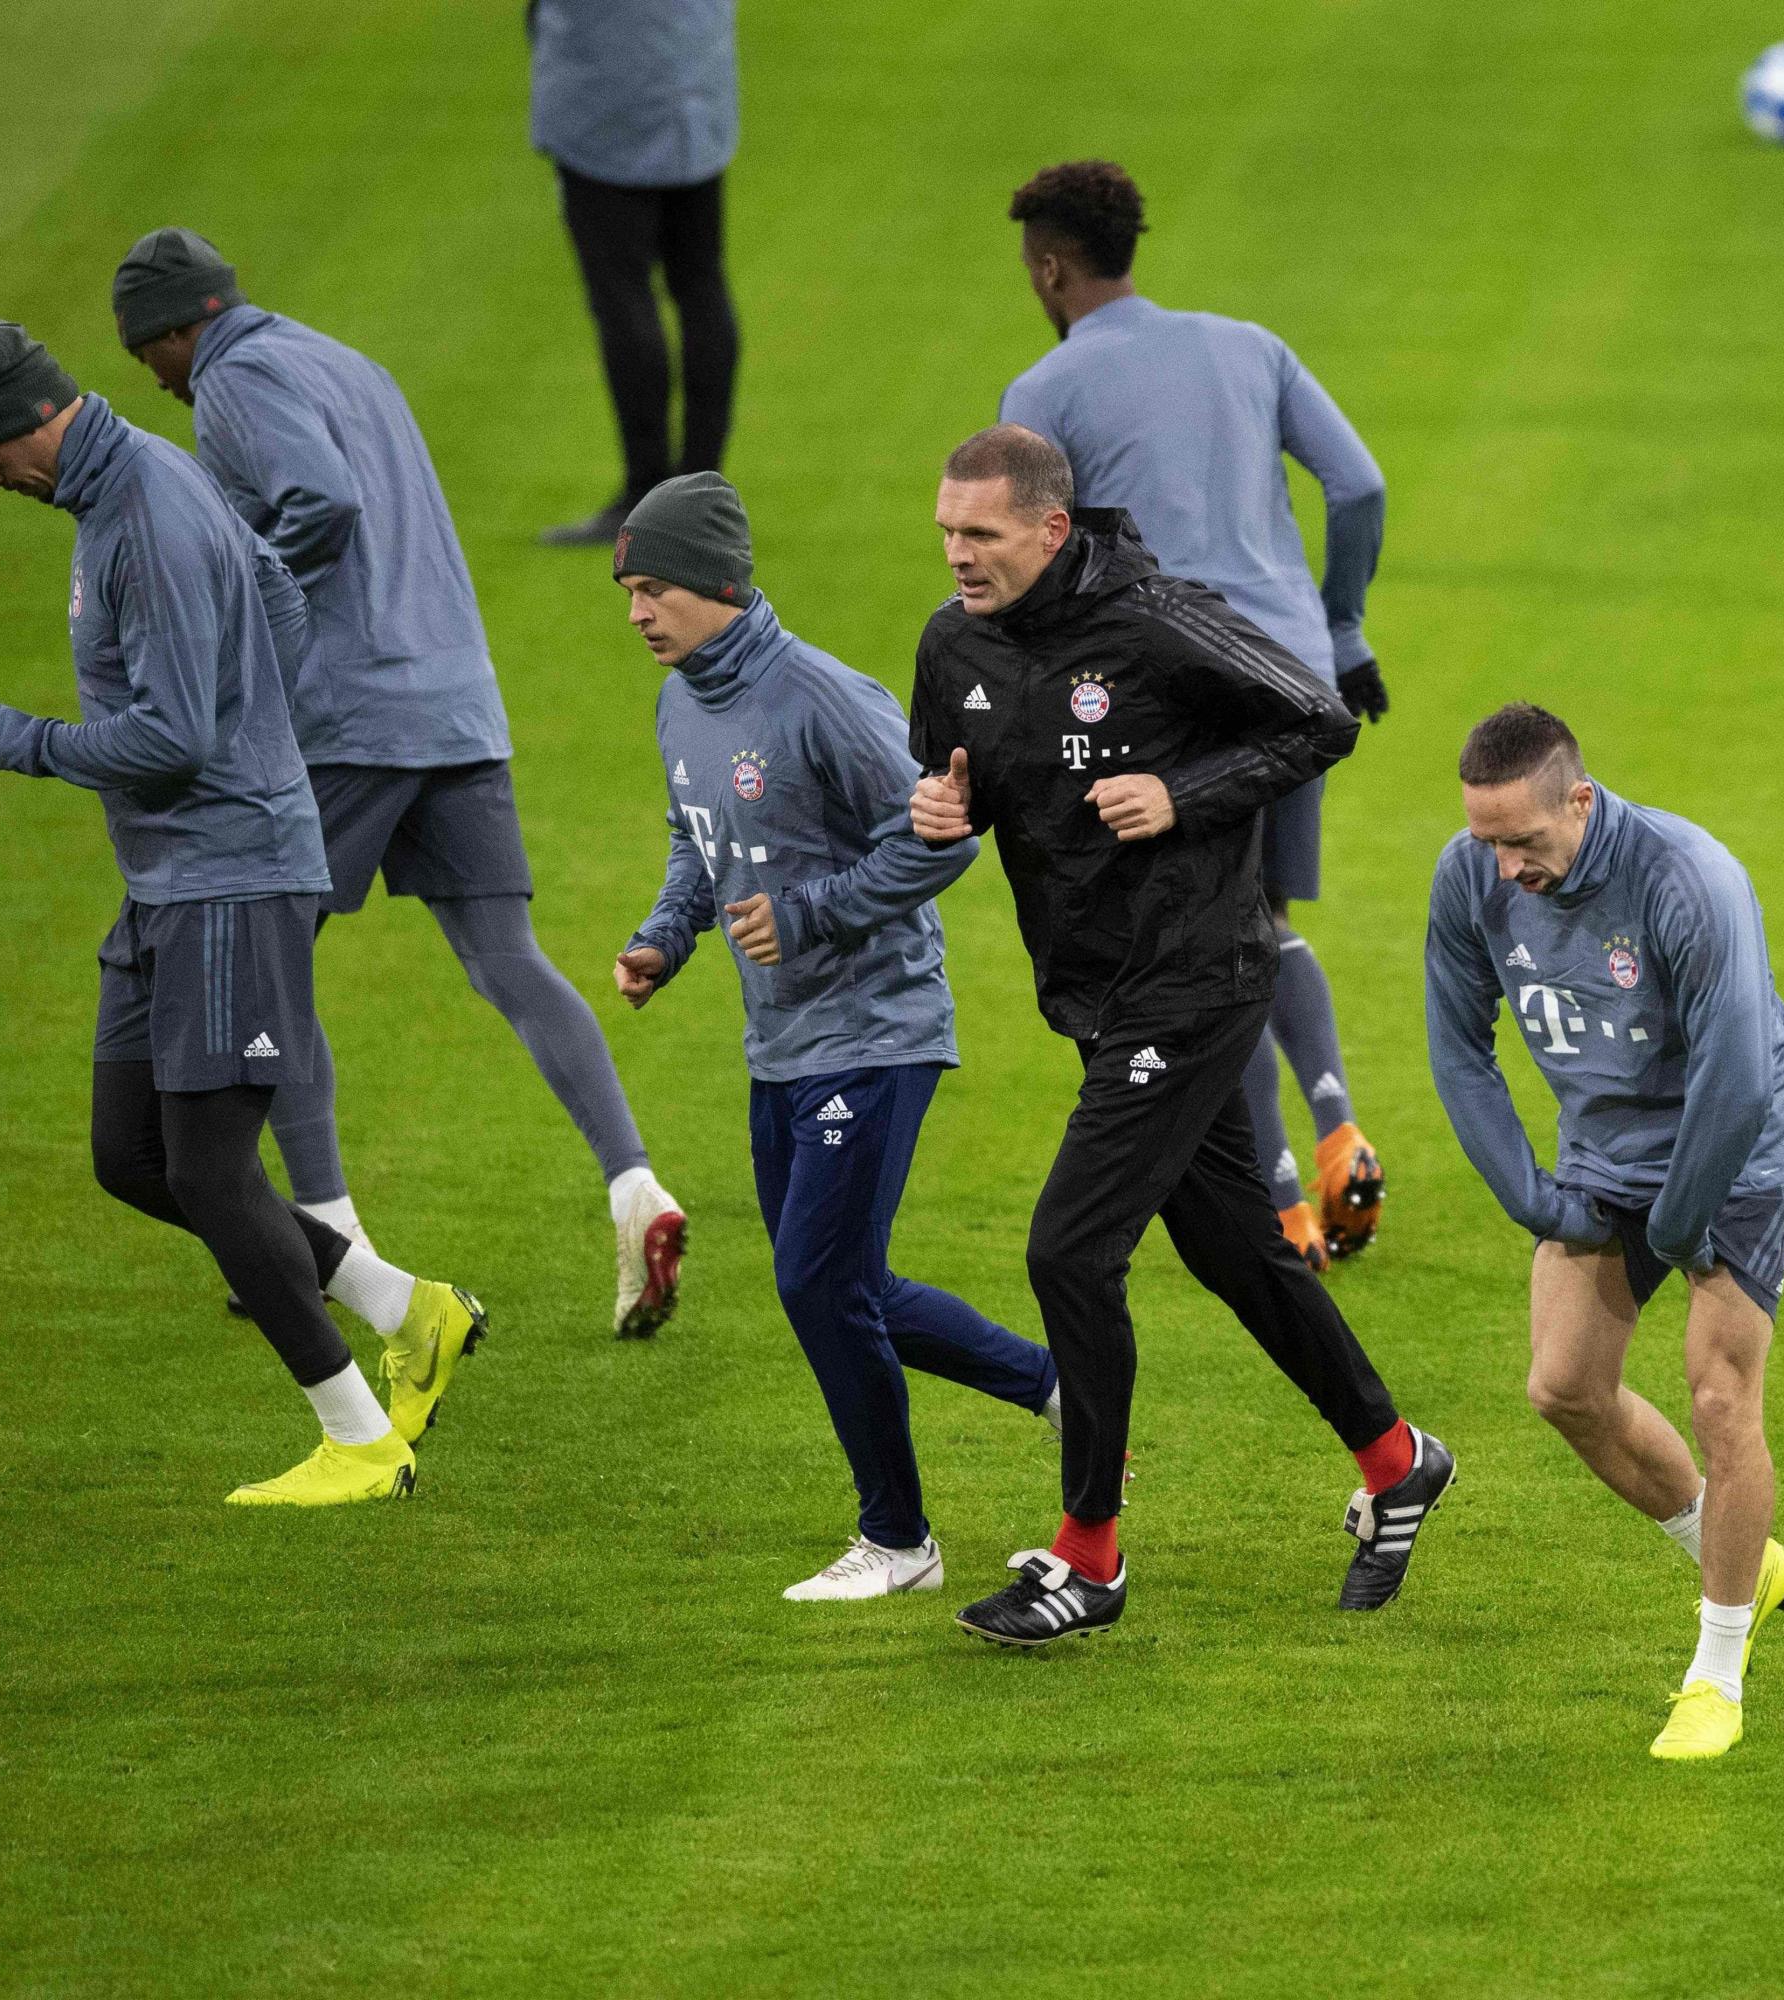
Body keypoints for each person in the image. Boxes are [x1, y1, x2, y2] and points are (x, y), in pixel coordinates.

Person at [907, 423, 1453, 1647]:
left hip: (1198, 977)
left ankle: (1087, 1557)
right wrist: (942, 809)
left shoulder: (1156, 621)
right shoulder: (955, 643)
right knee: (1235, 1253)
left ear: (1051, 531)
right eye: (947, 529)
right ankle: (1396, 1455)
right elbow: (961, 778)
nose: (957, 553)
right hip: (1095, 993)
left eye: (981, 533)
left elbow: (1318, 717)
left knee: (1070, 1249)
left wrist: (1180, 794)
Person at [0, 316, 483, 1506]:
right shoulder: (133, 482)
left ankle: (361, 1440)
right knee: (132, 1156)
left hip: (227, 880)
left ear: (29, 419)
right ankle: (406, 1306)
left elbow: (171, 738)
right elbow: (277, 601)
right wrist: (256, 731)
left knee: (215, 1172)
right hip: (173, 879)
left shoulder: (148, 518)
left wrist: (8, 739)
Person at [113, 227, 689, 1338]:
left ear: (177, 330)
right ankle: (634, 1185)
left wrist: (233, 608)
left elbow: (319, 505)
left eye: (151, 359)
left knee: (268, 960)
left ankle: (326, 1238)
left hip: (346, 714)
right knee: (507, 960)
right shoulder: (344, 360)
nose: (159, 382)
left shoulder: (232, 379)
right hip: (455, 697)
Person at [605, 474, 1060, 1599]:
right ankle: (1065, 1389)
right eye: (627, 591)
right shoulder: (679, 701)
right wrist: (668, 935)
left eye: (653, 587)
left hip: (876, 1026)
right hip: (782, 1041)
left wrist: (808, 913)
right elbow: (696, 834)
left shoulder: (820, 698)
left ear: (717, 584)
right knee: (841, 1283)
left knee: (817, 1283)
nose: (637, 613)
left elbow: (942, 841)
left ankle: (899, 1540)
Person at [999, 160, 1391, 1271]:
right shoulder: (1250, 346)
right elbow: (1357, 484)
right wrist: (1343, 628)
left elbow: (1030, 562)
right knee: (1262, 914)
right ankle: (1337, 1124)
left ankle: (1278, 1202)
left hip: (1169, 689)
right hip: (1295, 666)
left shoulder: (1044, 392)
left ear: (1051, 266)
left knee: (1200, 944)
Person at [1425, 705, 1784, 1762]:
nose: (1504, 868)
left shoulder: (1691, 879)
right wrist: (1533, 1199)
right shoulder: (1470, 877)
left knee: (1721, 1390)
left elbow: (1733, 1078)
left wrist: (1684, 1226)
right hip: (1608, 1152)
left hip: (1736, 1153)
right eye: (1487, 841)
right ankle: (1741, 1555)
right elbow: (1459, 1050)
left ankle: (1716, 1673)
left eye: (1525, 842)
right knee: (1563, 1386)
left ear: (1580, 801)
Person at [526, 0, 740, 546]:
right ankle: (700, 497)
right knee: (699, 282)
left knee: (624, 296)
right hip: (694, 79)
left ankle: (647, 497)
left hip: (606, 91)